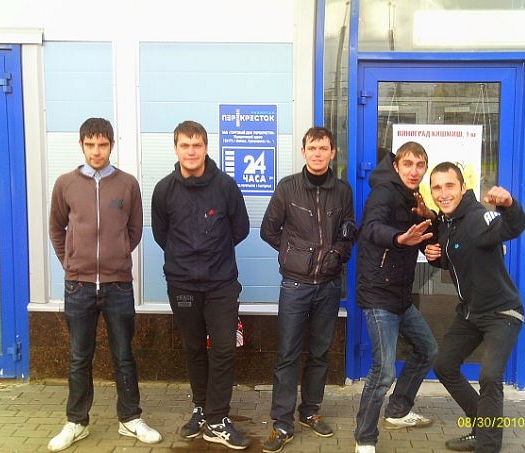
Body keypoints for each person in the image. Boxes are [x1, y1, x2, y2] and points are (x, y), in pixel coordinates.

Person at [48, 118, 162, 452]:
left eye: (102, 144)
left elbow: (135, 229)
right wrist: (71, 262)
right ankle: (76, 422)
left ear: (111, 145)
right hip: (78, 286)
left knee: (124, 355)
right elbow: (56, 227)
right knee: (78, 357)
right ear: (81, 145)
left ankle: (130, 419)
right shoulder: (65, 184)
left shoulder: (127, 184)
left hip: (118, 285)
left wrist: (118, 254)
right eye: (90, 145)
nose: (96, 151)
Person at [151, 120, 251, 450]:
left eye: (197, 145)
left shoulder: (225, 187)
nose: (191, 151)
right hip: (182, 285)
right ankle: (201, 408)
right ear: (176, 148)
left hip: (221, 284)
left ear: (206, 148)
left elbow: (240, 228)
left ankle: (217, 419)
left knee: (223, 349)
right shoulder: (164, 190)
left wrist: (212, 254)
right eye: (185, 145)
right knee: (194, 348)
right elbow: (162, 235)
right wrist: (185, 259)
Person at [260, 126, 356, 453]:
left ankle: (310, 411)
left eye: (323, 148)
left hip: (328, 286)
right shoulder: (288, 188)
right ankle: (282, 422)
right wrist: (295, 255)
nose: (317, 154)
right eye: (312, 148)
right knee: (287, 354)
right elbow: (268, 230)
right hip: (295, 285)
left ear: (332, 153)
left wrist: (337, 254)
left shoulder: (342, 191)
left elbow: (349, 232)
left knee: (319, 353)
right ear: (303, 152)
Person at [425, 162, 525, 452]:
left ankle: (487, 446)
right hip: (470, 313)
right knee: (444, 366)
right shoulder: (448, 223)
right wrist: (434, 255)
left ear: (463, 188)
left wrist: (509, 205)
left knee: (490, 376)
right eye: (437, 187)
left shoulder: (477, 217)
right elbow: (454, 255)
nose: (443, 193)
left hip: (502, 313)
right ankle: (481, 425)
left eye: (449, 185)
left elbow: (512, 226)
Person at [354, 141, 439, 453]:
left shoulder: (412, 197)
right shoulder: (384, 192)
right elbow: (371, 228)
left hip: (400, 295)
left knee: (427, 349)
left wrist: (430, 221)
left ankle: (398, 410)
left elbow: (423, 235)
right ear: (396, 166)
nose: (414, 171)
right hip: (379, 294)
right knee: (383, 370)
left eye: (420, 165)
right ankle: (364, 438)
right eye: (408, 164)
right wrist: (398, 238)